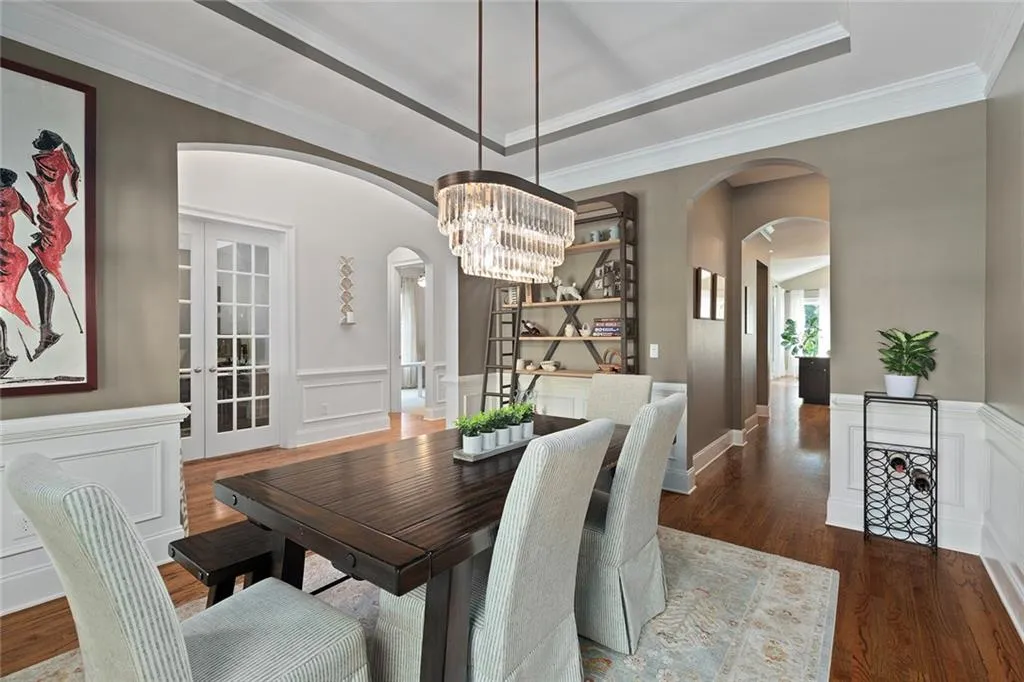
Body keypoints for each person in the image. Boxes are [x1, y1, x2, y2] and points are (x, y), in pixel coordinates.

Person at [26, 129, 81, 360]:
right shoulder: (63, 161)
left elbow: (51, 198)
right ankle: (46, 330)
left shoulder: (49, 162)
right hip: (55, 226)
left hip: (55, 227)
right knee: (38, 271)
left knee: (36, 271)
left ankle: (46, 331)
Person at [0, 168, 36, 377]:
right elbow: (28, 209)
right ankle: (4, 355)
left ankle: (4, 355)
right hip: (11, 256)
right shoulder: (13, 194)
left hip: (5, 256)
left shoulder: (2, 199)